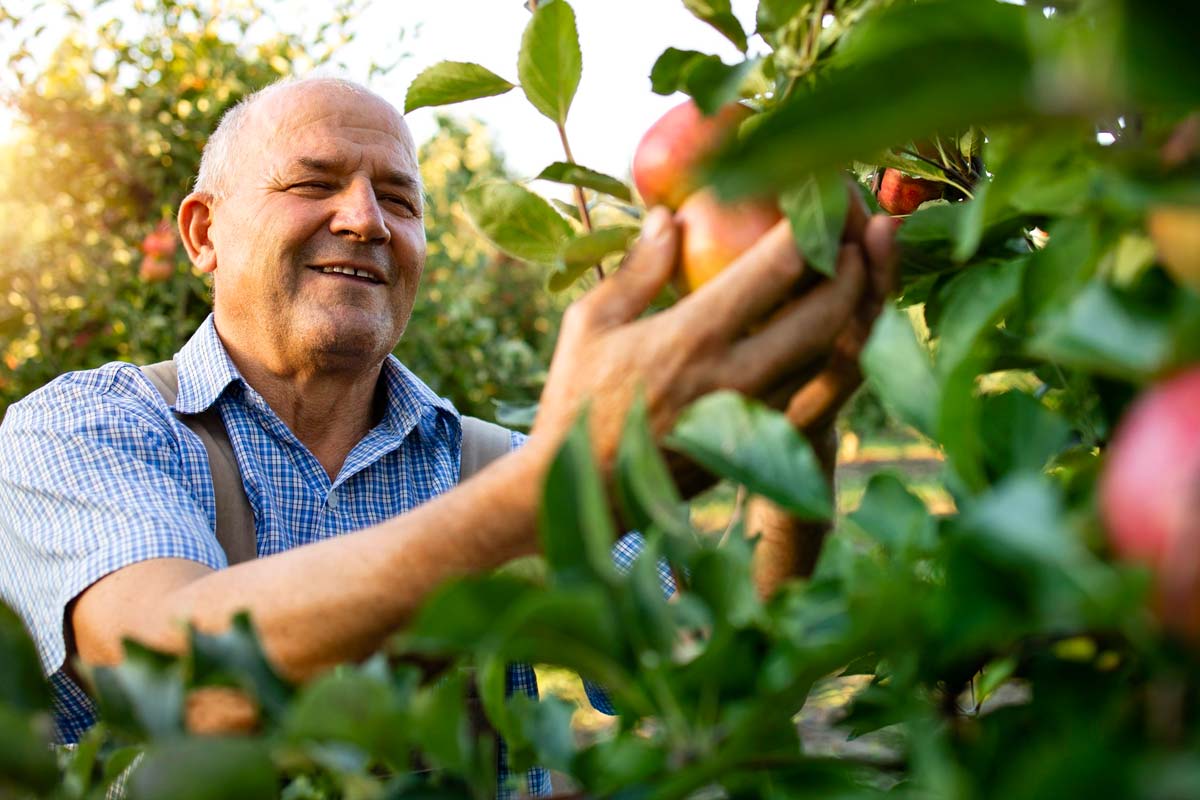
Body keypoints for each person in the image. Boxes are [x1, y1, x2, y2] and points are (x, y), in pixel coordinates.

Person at [0, 76, 896, 795]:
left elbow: (724, 685)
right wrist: (554, 493)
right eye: (314, 182)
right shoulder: (84, 430)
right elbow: (183, 682)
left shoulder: (494, 466)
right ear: (202, 233)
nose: (365, 219)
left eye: (400, 199)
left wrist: (801, 426)